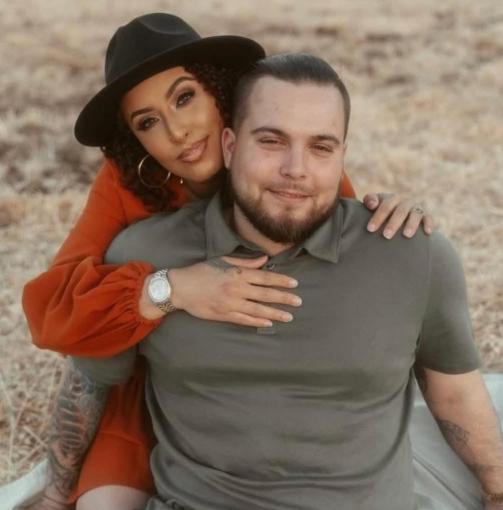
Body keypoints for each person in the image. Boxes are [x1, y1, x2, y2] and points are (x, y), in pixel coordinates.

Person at [19, 14, 434, 510]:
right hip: (158, 383)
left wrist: (386, 216)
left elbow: (342, 262)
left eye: (184, 98)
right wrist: (171, 288)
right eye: (148, 122)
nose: (176, 131)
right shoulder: (125, 183)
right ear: (136, 140)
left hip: (274, 393)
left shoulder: (286, 168)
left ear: (220, 92)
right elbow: (54, 310)